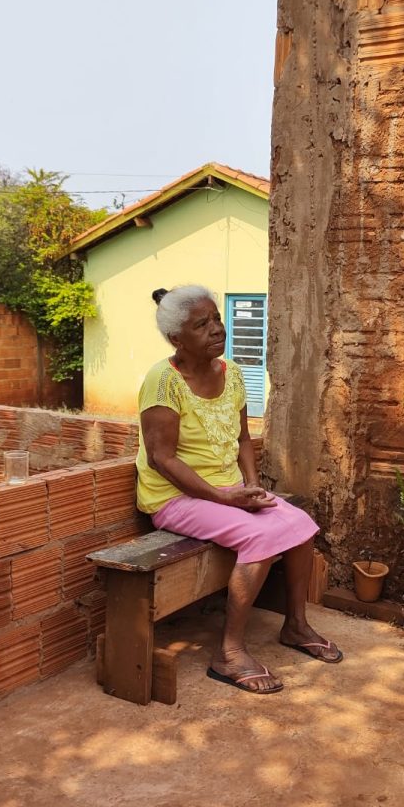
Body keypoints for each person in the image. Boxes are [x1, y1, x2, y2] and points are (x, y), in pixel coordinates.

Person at [136, 284, 341, 694]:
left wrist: (250, 484)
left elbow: (244, 439)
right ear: (178, 338)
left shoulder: (231, 374)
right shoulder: (163, 381)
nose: (217, 329)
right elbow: (163, 458)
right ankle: (228, 654)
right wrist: (223, 497)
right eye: (202, 324)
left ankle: (296, 626)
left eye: (217, 319)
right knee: (262, 536)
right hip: (175, 498)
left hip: (229, 490)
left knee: (301, 525)